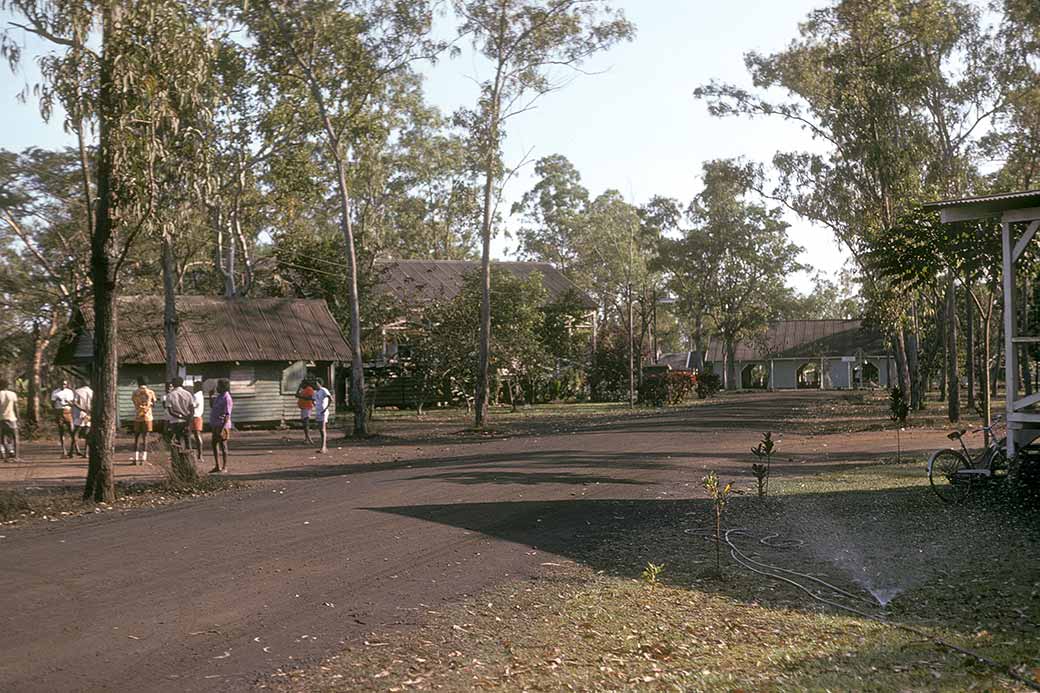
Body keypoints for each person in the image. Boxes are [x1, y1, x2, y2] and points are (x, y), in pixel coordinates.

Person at [130, 377, 157, 466]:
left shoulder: (135, 393)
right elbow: (154, 404)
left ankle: (136, 458)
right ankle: (143, 459)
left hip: (137, 417)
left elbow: (134, 403)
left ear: (138, 383)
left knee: (136, 438)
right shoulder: (151, 392)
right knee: (145, 438)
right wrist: (150, 404)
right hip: (147, 417)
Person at [164, 376, 194, 451]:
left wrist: (180, 416)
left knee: (177, 443)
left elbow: (171, 411)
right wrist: (188, 420)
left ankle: (178, 461)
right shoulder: (188, 394)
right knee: (187, 441)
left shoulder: (170, 395)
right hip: (187, 421)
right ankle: (188, 461)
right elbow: (192, 410)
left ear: (173, 384)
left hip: (175, 422)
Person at [209, 378, 232, 473]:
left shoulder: (227, 398)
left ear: (223, 387)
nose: (217, 388)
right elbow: (212, 406)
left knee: (223, 445)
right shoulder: (219, 397)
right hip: (215, 424)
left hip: (223, 425)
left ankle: (225, 467)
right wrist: (210, 396)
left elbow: (227, 415)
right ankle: (217, 466)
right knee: (214, 444)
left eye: (219, 386)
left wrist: (222, 429)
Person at [50, 379, 74, 456]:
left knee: (72, 430)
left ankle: (72, 450)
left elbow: (72, 403)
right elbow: (52, 404)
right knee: (61, 431)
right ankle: (64, 450)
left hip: (67, 411)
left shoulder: (69, 392)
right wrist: (56, 401)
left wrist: (67, 401)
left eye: (64, 384)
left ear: (66, 385)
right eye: (62, 384)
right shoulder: (55, 392)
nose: (63, 385)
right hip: (59, 411)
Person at [70, 379, 93, 458]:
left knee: (75, 433)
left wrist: (82, 409)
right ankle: (86, 452)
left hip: (79, 414)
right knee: (88, 434)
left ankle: (72, 451)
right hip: (89, 414)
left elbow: (75, 402)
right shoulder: (92, 392)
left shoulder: (77, 391)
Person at [0, 379, 19, 462]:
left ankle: (7, 456)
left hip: (1, 418)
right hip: (11, 418)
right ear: (7, 386)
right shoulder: (12, 394)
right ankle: (16, 456)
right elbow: (16, 407)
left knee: (3, 438)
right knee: (15, 437)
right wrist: (18, 417)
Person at [313, 377, 331, 454]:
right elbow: (313, 400)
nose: (315, 385)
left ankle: (323, 447)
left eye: (316, 383)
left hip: (323, 412)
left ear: (319, 383)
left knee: (323, 429)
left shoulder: (324, 390)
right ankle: (324, 447)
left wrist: (325, 408)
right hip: (318, 411)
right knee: (320, 429)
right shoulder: (316, 392)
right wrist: (315, 405)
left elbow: (331, 399)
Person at [295, 378, 316, 445]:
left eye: (302, 383)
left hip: (307, 408)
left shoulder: (309, 389)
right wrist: (299, 387)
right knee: (304, 424)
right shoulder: (303, 390)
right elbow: (297, 395)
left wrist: (300, 397)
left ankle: (309, 438)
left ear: (306, 384)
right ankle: (307, 438)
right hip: (303, 408)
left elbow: (310, 398)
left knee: (306, 423)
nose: (301, 384)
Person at [190, 381, 205, 462]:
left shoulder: (196, 396)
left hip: (195, 417)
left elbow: (192, 407)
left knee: (196, 435)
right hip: (198, 416)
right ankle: (199, 454)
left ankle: (200, 454)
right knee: (196, 435)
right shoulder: (200, 395)